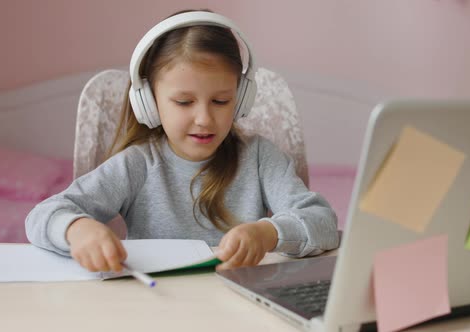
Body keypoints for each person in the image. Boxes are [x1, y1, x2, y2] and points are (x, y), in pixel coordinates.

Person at [25, 10, 339, 273]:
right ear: (149, 102)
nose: (204, 118)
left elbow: (323, 223)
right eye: (184, 102)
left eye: (220, 101)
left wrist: (268, 233)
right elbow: (41, 216)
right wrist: (76, 229)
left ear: (241, 99)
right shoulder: (137, 164)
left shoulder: (259, 158)